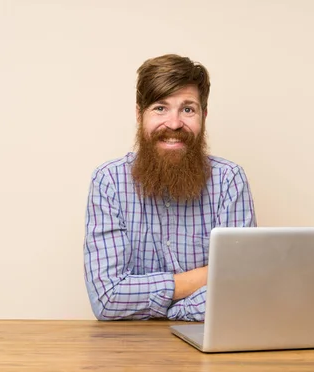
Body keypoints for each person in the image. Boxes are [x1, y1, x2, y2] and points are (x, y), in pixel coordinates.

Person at [83, 54, 257, 321]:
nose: (174, 124)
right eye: (160, 108)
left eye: (188, 109)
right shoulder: (109, 182)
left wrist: (175, 310)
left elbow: (242, 287)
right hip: (125, 352)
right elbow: (107, 299)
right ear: (139, 115)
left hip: (209, 349)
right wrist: (206, 276)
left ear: (204, 115)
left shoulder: (228, 180)